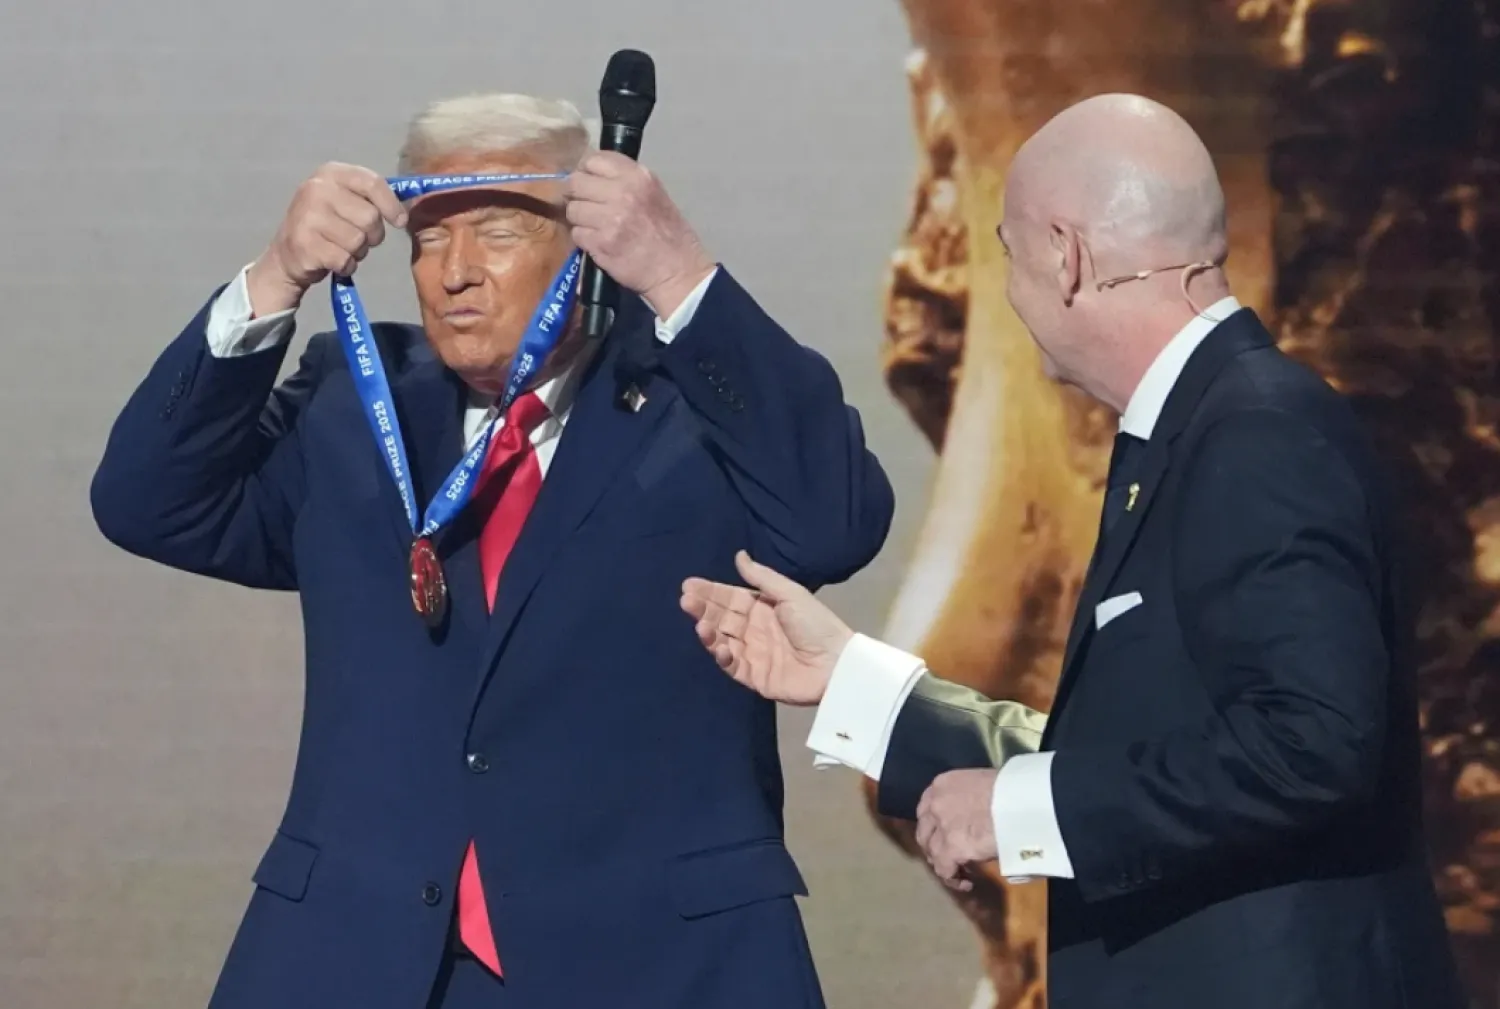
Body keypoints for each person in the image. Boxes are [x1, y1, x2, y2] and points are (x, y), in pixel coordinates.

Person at [91, 92, 893, 1009]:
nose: (453, 272)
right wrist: (274, 277)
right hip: (364, 961)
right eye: (428, 238)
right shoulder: (354, 403)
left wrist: (677, 273)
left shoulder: (693, 405)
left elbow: (836, 522)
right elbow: (145, 500)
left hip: (655, 965)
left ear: (587, 237)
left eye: (497, 231)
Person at [680, 93, 1463, 1009]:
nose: (1004, 293)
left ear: (1069, 257)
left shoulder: (1258, 434)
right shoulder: (1196, 431)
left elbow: (1310, 745)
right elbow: (1147, 754)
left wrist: (1022, 813)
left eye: (1007, 254)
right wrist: (850, 678)